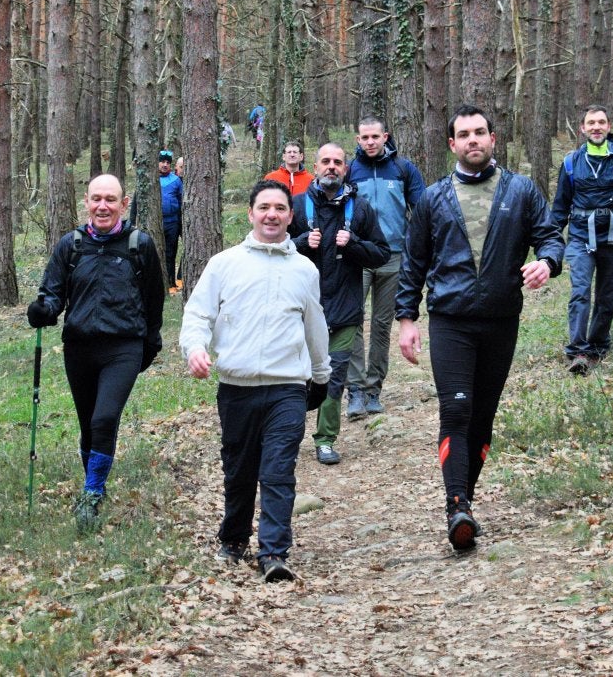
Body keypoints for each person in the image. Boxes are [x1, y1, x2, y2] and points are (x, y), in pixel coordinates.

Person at [396, 105, 564, 552]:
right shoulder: (432, 198)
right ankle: (456, 506)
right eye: (464, 135)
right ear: (452, 144)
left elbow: (549, 235)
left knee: (483, 417)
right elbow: (413, 264)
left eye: (480, 133)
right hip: (451, 321)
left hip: (500, 319)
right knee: (457, 411)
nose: (473, 140)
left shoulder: (522, 190)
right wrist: (407, 319)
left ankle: (464, 500)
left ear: (493, 138)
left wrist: (547, 261)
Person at [181, 180, 331, 582]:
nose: (271, 214)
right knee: (240, 470)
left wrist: (321, 374)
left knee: (279, 469)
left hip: (287, 388)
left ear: (290, 216)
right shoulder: (224, 264)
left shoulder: (304, 269)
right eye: (264, 207)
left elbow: (315, 326)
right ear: (250, 214)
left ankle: (274, 553)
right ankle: (233, 539)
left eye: (279, 208)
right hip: (236, 386)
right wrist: (195, 348)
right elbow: (198, 316)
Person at [27, 174, 167, 534]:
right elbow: (53, 292)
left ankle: (91, 493)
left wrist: (149, 344)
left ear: (123, 203)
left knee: (105, 418)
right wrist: (43, 309)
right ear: (86, 202)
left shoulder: (139, 245)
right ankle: (94, 480)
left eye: (110, 199)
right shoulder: (70, 246)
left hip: (123, 347)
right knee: (89, 424)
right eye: (96, 199)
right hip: (79, 348)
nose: (103, 206)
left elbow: (155, 299)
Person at [287, 143, 388, 465]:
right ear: (314, 167)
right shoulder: (298, 206)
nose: (332, 167)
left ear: (346, 169)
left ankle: (326, 440)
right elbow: (271, 249)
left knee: (334, 377)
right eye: (326, 162)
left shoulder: (360, 209)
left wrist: (355, 243)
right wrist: (300, 243)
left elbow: (381, 253)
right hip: (301, 311)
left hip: (345, 310)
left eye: (338, 163)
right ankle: (287, 437)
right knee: (295, 377)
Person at [551, 104, 613, 375]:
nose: (596, 127)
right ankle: (578, 351)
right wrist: (551, 238)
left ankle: (597, 347)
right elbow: (561, 204)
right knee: (580, 290)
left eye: (601, 122)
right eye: (591, 123)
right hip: (582, 235)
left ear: (608, 126)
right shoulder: (571, 162)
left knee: (607, 295)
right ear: (582, 128)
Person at [344, 116, 426, 420]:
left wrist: (418, 248)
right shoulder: (350, 171)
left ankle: (373, 389)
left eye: (375, 137)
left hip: (394, 257)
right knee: (352, 322)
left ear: (385, 136)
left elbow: (422, 209)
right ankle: (354, 389)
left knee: (381, 326)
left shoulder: (403, 169)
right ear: (358, 140)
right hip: (358, 256)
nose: (369, 142)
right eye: (364, 137)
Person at [157, 150, 182, 288]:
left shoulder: (176, 180)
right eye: (162, 162)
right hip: (157, 222)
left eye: (168, 162)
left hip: (172, 222)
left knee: (171, 252)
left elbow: (181, 200)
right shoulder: (152, 179)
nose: (165, 165)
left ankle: (171, 281)